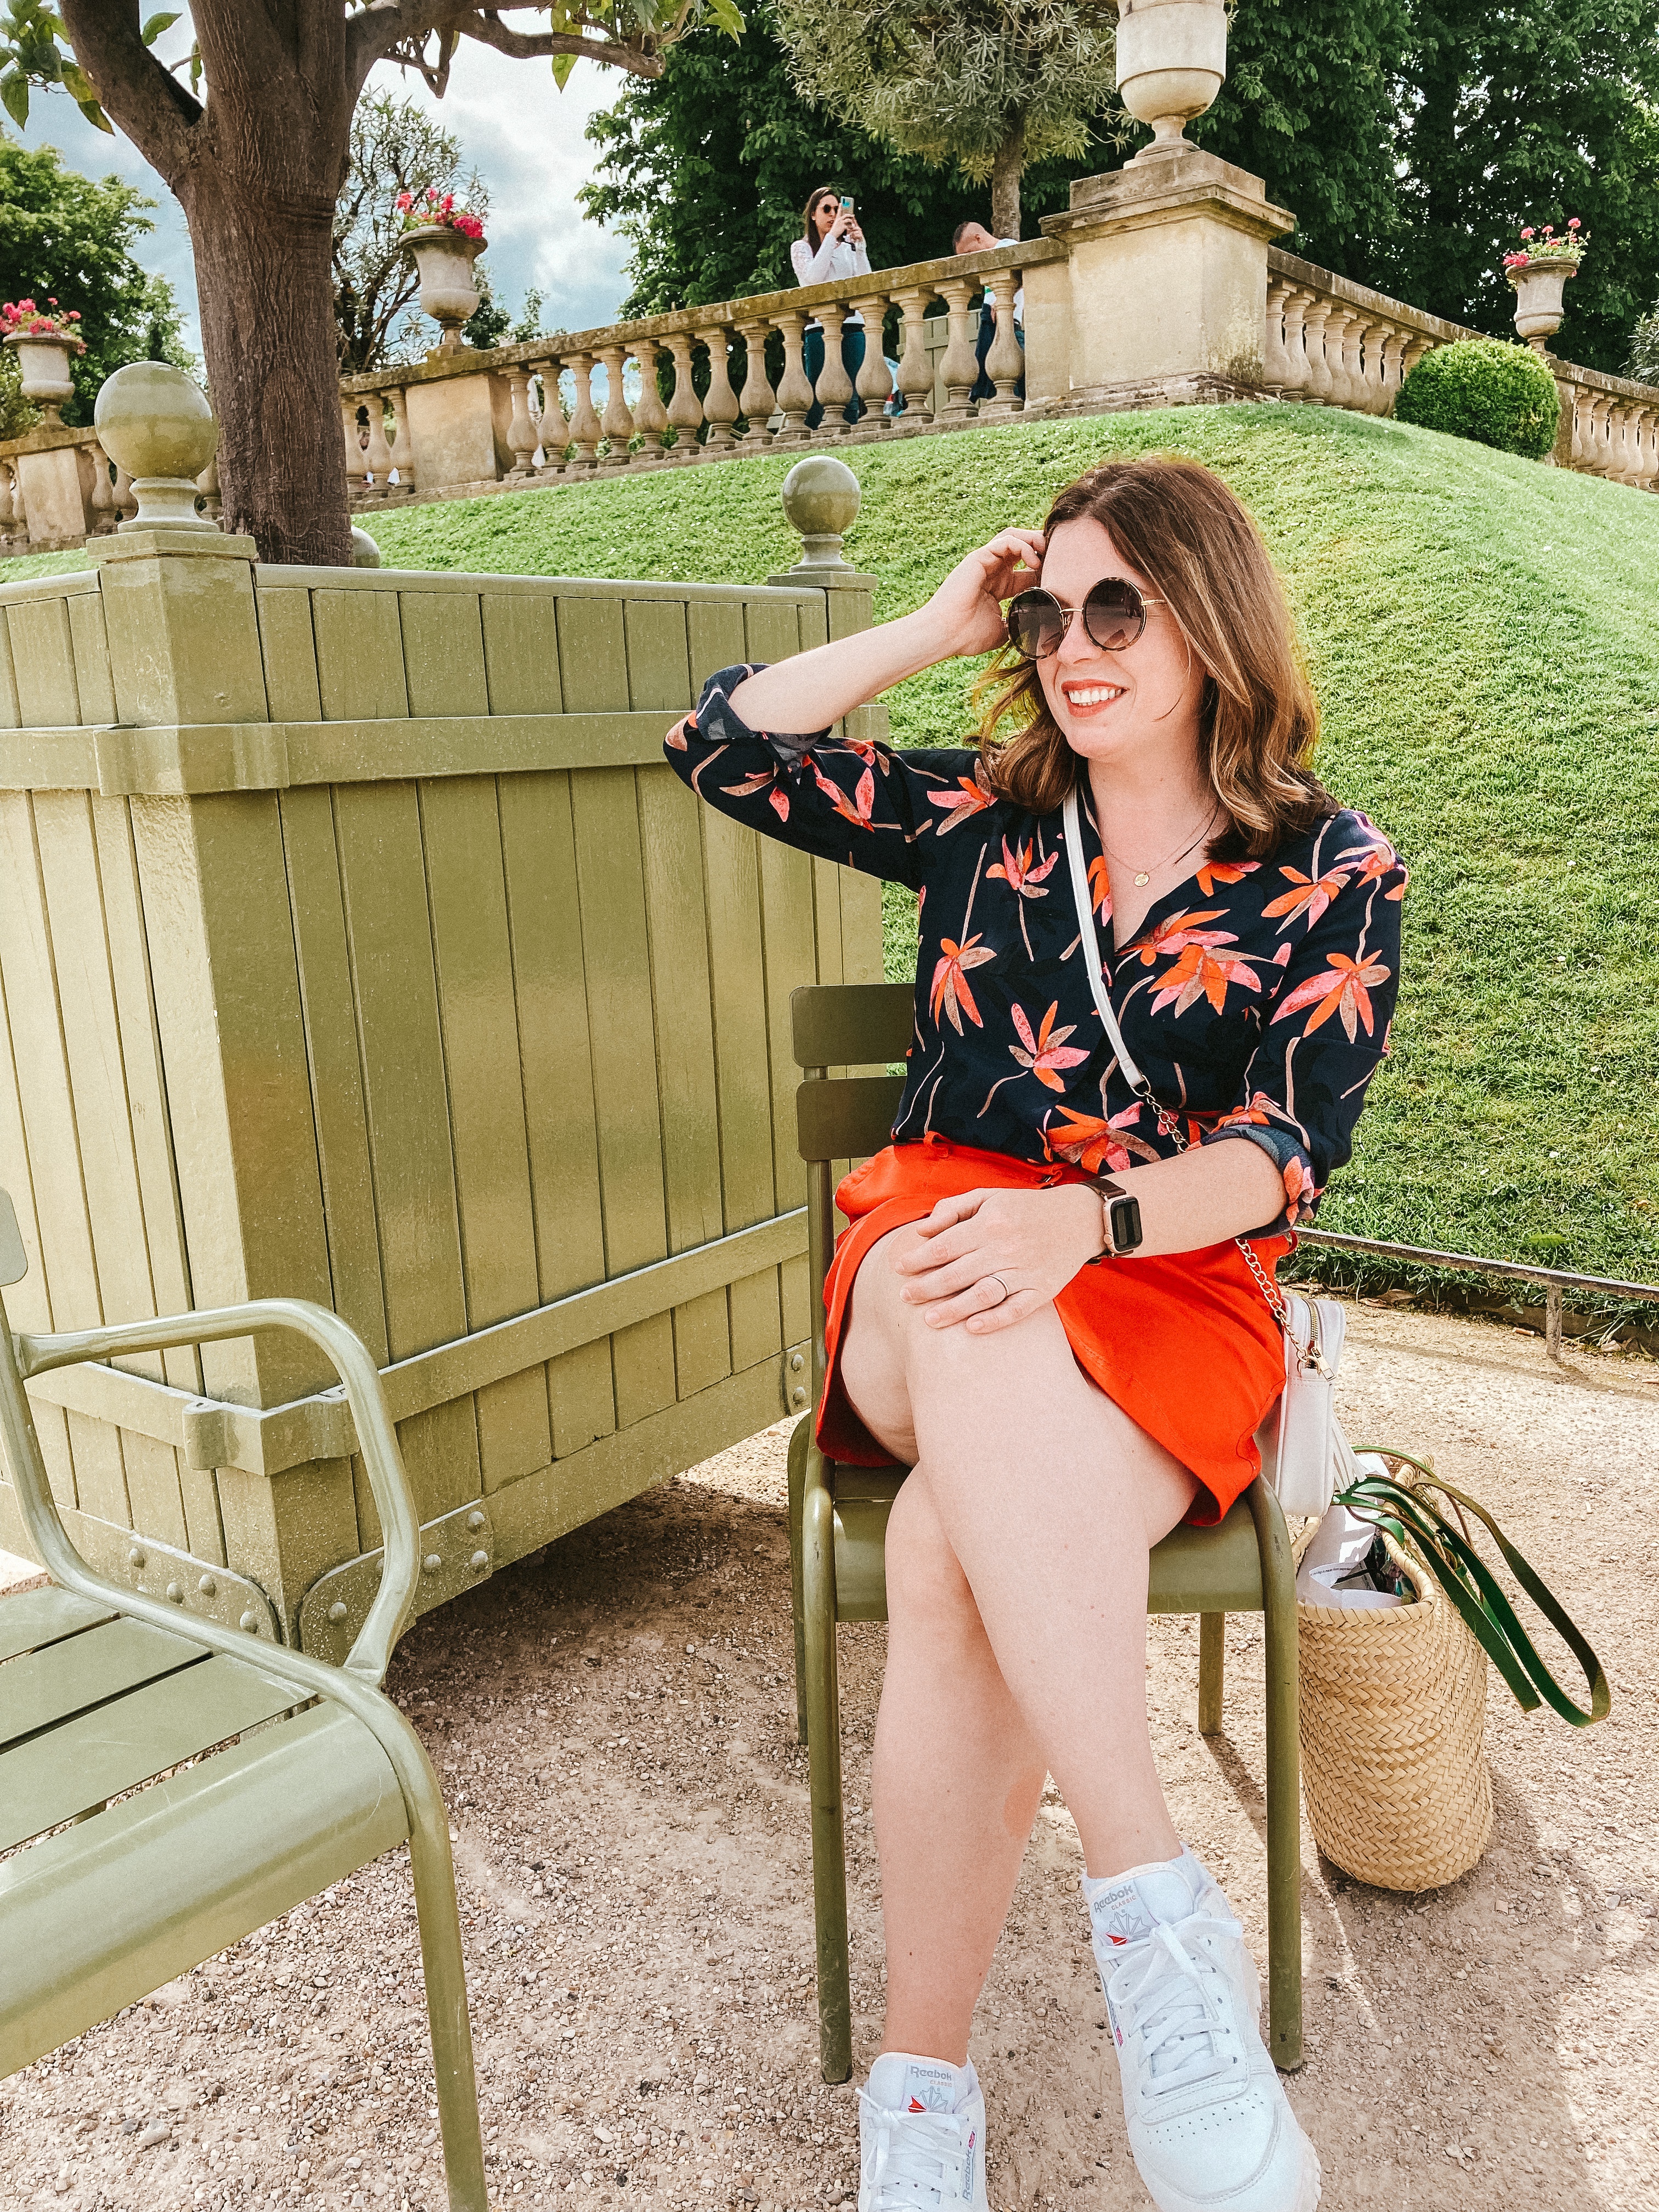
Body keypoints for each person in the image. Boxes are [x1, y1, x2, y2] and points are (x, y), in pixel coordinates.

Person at [664, 454, 1406, 2212]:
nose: (1076, 646)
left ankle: (921, 2102)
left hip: (1169, 1282)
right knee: (971, 1287)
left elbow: (1284, 1150)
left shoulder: (1328, 867)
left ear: (1212, 618)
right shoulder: (982, 822)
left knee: (943, 1560)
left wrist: (1092, 1218)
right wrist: (929, 624)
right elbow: (723, 745)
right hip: (929, 1260)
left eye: (1119, 608)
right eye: (1050, 611)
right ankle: (1162, 1927)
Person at [793, 184, 874, 428]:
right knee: (817, 395)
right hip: (820, 329)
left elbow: (866, 284)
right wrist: (831, 239)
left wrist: (860, 248)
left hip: (852, 326)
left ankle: (847, 444)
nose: (832, 214)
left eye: (837, 209)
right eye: (826, 209)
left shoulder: (847, 247)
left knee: (850, 395)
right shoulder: (802, 248)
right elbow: (812, 280)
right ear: (813, 214)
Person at [952, 218, 1024, 403]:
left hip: (1008, 316)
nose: (969, 258)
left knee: (1006, 365)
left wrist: (1001, 301)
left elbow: (1023, 276)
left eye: (968, 252)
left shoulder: (1006, 247)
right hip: (991, 313)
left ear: (978, 238)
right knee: (985, 362)